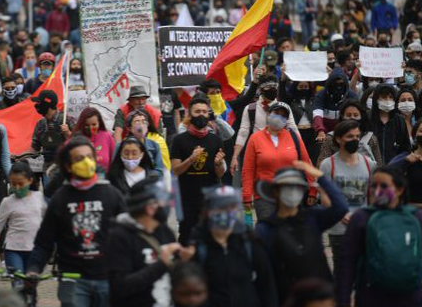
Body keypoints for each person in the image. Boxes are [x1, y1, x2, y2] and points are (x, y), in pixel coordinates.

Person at [26, 136, 125, 307]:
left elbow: (128, 235)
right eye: (79, 159)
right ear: (68, 165)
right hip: (72, 278)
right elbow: (44, 242)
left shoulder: (112, 194)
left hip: (106, 277)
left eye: (89, 157)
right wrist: (34, 268)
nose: (86, 162)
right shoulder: (59, 199)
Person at [336, 166, 422, 307]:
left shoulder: (416, 217)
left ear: (400, 190)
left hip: (405, 299)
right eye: (373, 185)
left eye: (384, 186)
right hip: (376, 300)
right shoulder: (361, 218)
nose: (377, 190)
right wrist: (343, 303)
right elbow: (347, 262)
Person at [255, 161, 348, 303]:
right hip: (286, 300)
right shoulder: (266, 228)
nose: (293, 191)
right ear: (276, 191)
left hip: (319, 299)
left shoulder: (313, 217)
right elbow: (264, 275)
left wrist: (321, 177)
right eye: (287, 187)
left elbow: (341, 207)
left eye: (297, 187)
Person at [189, 185, 279, 307]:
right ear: (209, 211)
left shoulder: (248, 240)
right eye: (221, 207)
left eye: (232, 207)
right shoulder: (199, 245)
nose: (227, 212)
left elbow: (267, 283)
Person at [107, 176, 182, 307]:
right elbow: (120, 287)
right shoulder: (119, 236)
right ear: (151, 208)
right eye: (164, 200)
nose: (167, 205)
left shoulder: (164, 231)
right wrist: (161, 264)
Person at [319, 120, 376, 279]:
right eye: (350, 136)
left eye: (357, 136)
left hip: (363, 225)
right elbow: (324, 195)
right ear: (339, 139)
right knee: (342, 270)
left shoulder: (368, 163)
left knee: (364, 271)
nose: (355, 140)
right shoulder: (327, 164)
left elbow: (371, 195)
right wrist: (339, 215)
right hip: (339, 227)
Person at [243, 103, 317, 221]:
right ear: (268, 114)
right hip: (264, 196)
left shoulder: (294, 137)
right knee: (269, 233)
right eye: (276, 114)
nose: (279, 118)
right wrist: (247, 195)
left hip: (291, 194)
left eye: (283, 116)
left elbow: (306, 163)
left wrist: (313, 190)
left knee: (289, 233)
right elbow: (248, 169)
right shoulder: (255, 139)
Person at [171, 96, 226, 245]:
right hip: (186, 199)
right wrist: (190, 160)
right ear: (189, 115)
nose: (201, 115)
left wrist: (218, 163)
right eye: (197, 112)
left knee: (211, 239)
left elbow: (220, 173)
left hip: (210, 200)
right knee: (187, 239)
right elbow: (175, 171)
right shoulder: (179, 140)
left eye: (204, 111)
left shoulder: (215, 140)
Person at [231, 75, 298, 173]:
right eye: (268, 86)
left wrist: (302, 154)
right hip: (258, 153)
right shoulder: (250, 109)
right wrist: (235, 156)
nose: (273, 89)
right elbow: (243, 133)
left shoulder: (284, 108)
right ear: (261, 89)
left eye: (275, 86)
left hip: (280, 151)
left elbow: (293, 129)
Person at [390, 119, 422, 225]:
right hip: (413, 215)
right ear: (414, 136)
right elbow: (386, 173)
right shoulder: (407, 157)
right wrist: (405, 162)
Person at [316, 100, 383, 166]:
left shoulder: (371, 138)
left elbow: (379, 165)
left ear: (362, 117)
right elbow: (321, 165)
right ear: (342, 117)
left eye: (356, 115)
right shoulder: (330, 138)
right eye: (348, 115)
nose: (352, 118)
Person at [30, 90, 75, 174]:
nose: (37, 106)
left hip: (66, 169)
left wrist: (68, 133)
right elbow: (34, 148)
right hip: (47, 170)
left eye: (39, 103)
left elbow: (81, 143)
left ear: (47, 104)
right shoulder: (41, 124)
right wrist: (20, 156)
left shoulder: (66, 120)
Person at [369, 84, 411, 164]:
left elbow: (406, 149)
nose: (388, 100)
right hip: (370, 168)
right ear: (376, 99)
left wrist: (396, 163)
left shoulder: (399, 120)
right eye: (384, 97)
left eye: (391, 97)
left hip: (393, 169)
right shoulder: (368, 118)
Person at [313, 69, 358, 143]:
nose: (338, 86)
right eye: (335, 84)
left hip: (345, 131)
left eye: (341, 84)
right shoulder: (321, 94)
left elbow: (355, 115)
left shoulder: (351, 95)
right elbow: (317, 113)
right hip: (325, 132)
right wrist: (320, 130)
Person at [123, 110, 166, 176]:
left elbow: (159, 171)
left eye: (144, 122)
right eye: (137, 122)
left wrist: (144, 176)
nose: (141, 125)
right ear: (129, 128)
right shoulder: (121, 145)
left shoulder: (154, 146)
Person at [73, 108, 115, 173]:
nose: (91, 128)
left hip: (103, 180)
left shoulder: (107, 136)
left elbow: (114, 160)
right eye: (87, 125)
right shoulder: (76, 138)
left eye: (94, 124)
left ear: (99, 123)